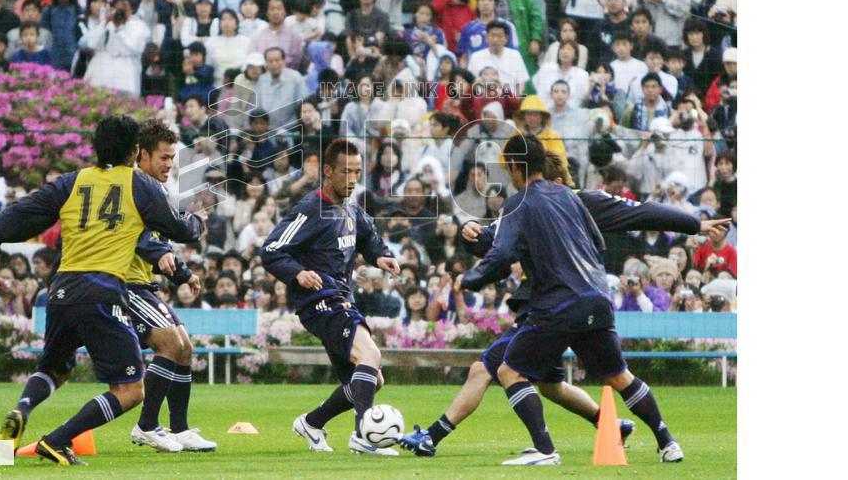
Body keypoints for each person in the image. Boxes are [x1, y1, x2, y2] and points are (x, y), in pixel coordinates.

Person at [401, 147, 725, 457]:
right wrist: (470, 233)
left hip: (551, 307)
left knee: (491, 368)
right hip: (578, 303)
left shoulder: (574, 201)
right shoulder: (537, 203)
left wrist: (694, 224)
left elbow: (642, 212)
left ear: (554, 182)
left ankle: (436, 436)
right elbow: (492, 242)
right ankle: (623, 428)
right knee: (555, 384)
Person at [0, 115, 205, 466]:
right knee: (130, 391)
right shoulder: (138, 184)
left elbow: (26, 211)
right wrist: (197, 221)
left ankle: (22, 408)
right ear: (134, 151)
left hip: (61, 289)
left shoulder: (72, 180)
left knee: (55, 367)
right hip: (101, 291)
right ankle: (56, 440)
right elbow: (176, 226)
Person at [454, 135, 685, 465]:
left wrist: (470, 279)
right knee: (620, 376)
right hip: (596, 298)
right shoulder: (567, 194)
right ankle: (668, 442)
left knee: (510, 371)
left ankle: (545, 450)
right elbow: (596, 239)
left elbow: (501, 254)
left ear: (516, 167)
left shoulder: (518, 203)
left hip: (559, 305)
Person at [262, 139, 401, 456]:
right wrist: (296, 273)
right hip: (321, 302)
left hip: (341, 299)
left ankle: (312, 422)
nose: (352, 179)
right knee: (371, 354)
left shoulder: (351, 208)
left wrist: (382, 256)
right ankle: (365, 436)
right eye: (345, 171)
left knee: (371, 379)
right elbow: (271, 249)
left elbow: (369, 238)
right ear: (328, 171)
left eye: (357, 171)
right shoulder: (311, 209)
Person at [125, 120, 216, 453]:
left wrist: (182, 273)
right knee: (170, 344)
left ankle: (179, 429)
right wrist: (161, 253)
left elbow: (155, 237)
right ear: (143, 155)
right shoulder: (134, 186)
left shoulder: (154, 189)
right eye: (163, 157)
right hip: (125, 283)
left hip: (143, 283)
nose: (169, 165)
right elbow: (137, 236)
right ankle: (146, 425)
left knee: (184, 348)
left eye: (172, 158)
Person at [84, 0, 151, 96]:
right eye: (117, 8)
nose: (120, 12)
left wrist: (119, 28)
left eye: (124, 8)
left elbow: (133, 47)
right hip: (104, 70)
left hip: (127, 71)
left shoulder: (139, 25)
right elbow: (92, 44)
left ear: (131, 10)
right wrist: (105, 22)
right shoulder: (108, 23)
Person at [467, 21, 528, 94]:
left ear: (506, 38)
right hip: (482, 101)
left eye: (499, 36)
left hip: (509, 100)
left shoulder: (515, 55)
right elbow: (471, 84)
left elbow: (521, 83)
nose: (495, 40)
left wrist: (515, 100)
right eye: (492, 36)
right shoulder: (476, 57)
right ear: (486, 37)